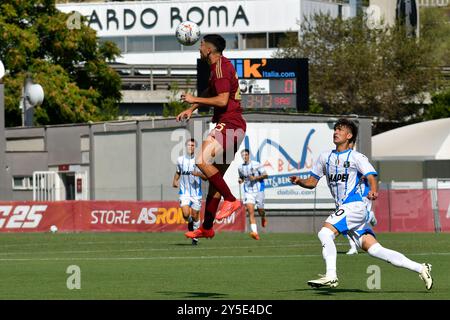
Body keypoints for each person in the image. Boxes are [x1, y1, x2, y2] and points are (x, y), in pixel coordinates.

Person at [289, 118, 433, 290]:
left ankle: (331, 276)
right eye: (335, 129)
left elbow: (372, 176)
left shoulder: (356, 157)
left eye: (340, 130)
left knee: (325, 233)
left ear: (349, 136)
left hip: (354, 206)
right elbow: (312, 182)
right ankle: (421, 268)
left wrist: (373, 190)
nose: (335, 132)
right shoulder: (324, 157)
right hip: (345, 209)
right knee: (375, 250)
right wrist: (299, 181)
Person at [176, 34, 246, 240]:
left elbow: (223, 100)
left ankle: (231, 200)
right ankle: (207, 227)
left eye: (201, 45)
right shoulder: (217, 68)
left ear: (209, 49)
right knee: (215, 183)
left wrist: (192, 98)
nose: (199, 48)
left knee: (200, 160)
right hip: (235, 126)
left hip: (230, 123)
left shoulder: (220, 68)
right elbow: (210, 92)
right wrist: (192, 108)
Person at [172, 138, 207, 245]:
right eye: (188, 145)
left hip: (196, 194)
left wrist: (199, 174)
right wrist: (175, 180)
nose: (190, 147)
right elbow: (178, 172)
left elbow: (206, 177)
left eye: (192, 146)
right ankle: (190, 222)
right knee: (186, 214)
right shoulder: (180, 160)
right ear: (186, 147)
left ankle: (195, 237)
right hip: (184, 192)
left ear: (195, 148)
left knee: (196, 215)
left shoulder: (200, 161)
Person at [238, 149, 268, 240]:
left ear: (249, 155)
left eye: (246, 155)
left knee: (260, 210)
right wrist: (240, 180)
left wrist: (255, 177)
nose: (245, 157)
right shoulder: (240, 167)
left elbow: (266, 175)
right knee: (250, 212)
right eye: (243, 155)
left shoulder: (256, 164)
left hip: (259, 190)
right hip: (248, 192)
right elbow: (242, 177)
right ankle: (255, 233)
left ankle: (263, 217)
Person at [346, 172, 378, 255]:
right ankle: (353, 248)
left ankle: (369, 215)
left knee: (361, 221)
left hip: (363, 194)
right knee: (348, 224)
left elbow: (371, 175)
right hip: (350, 197)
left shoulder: (360, 162)